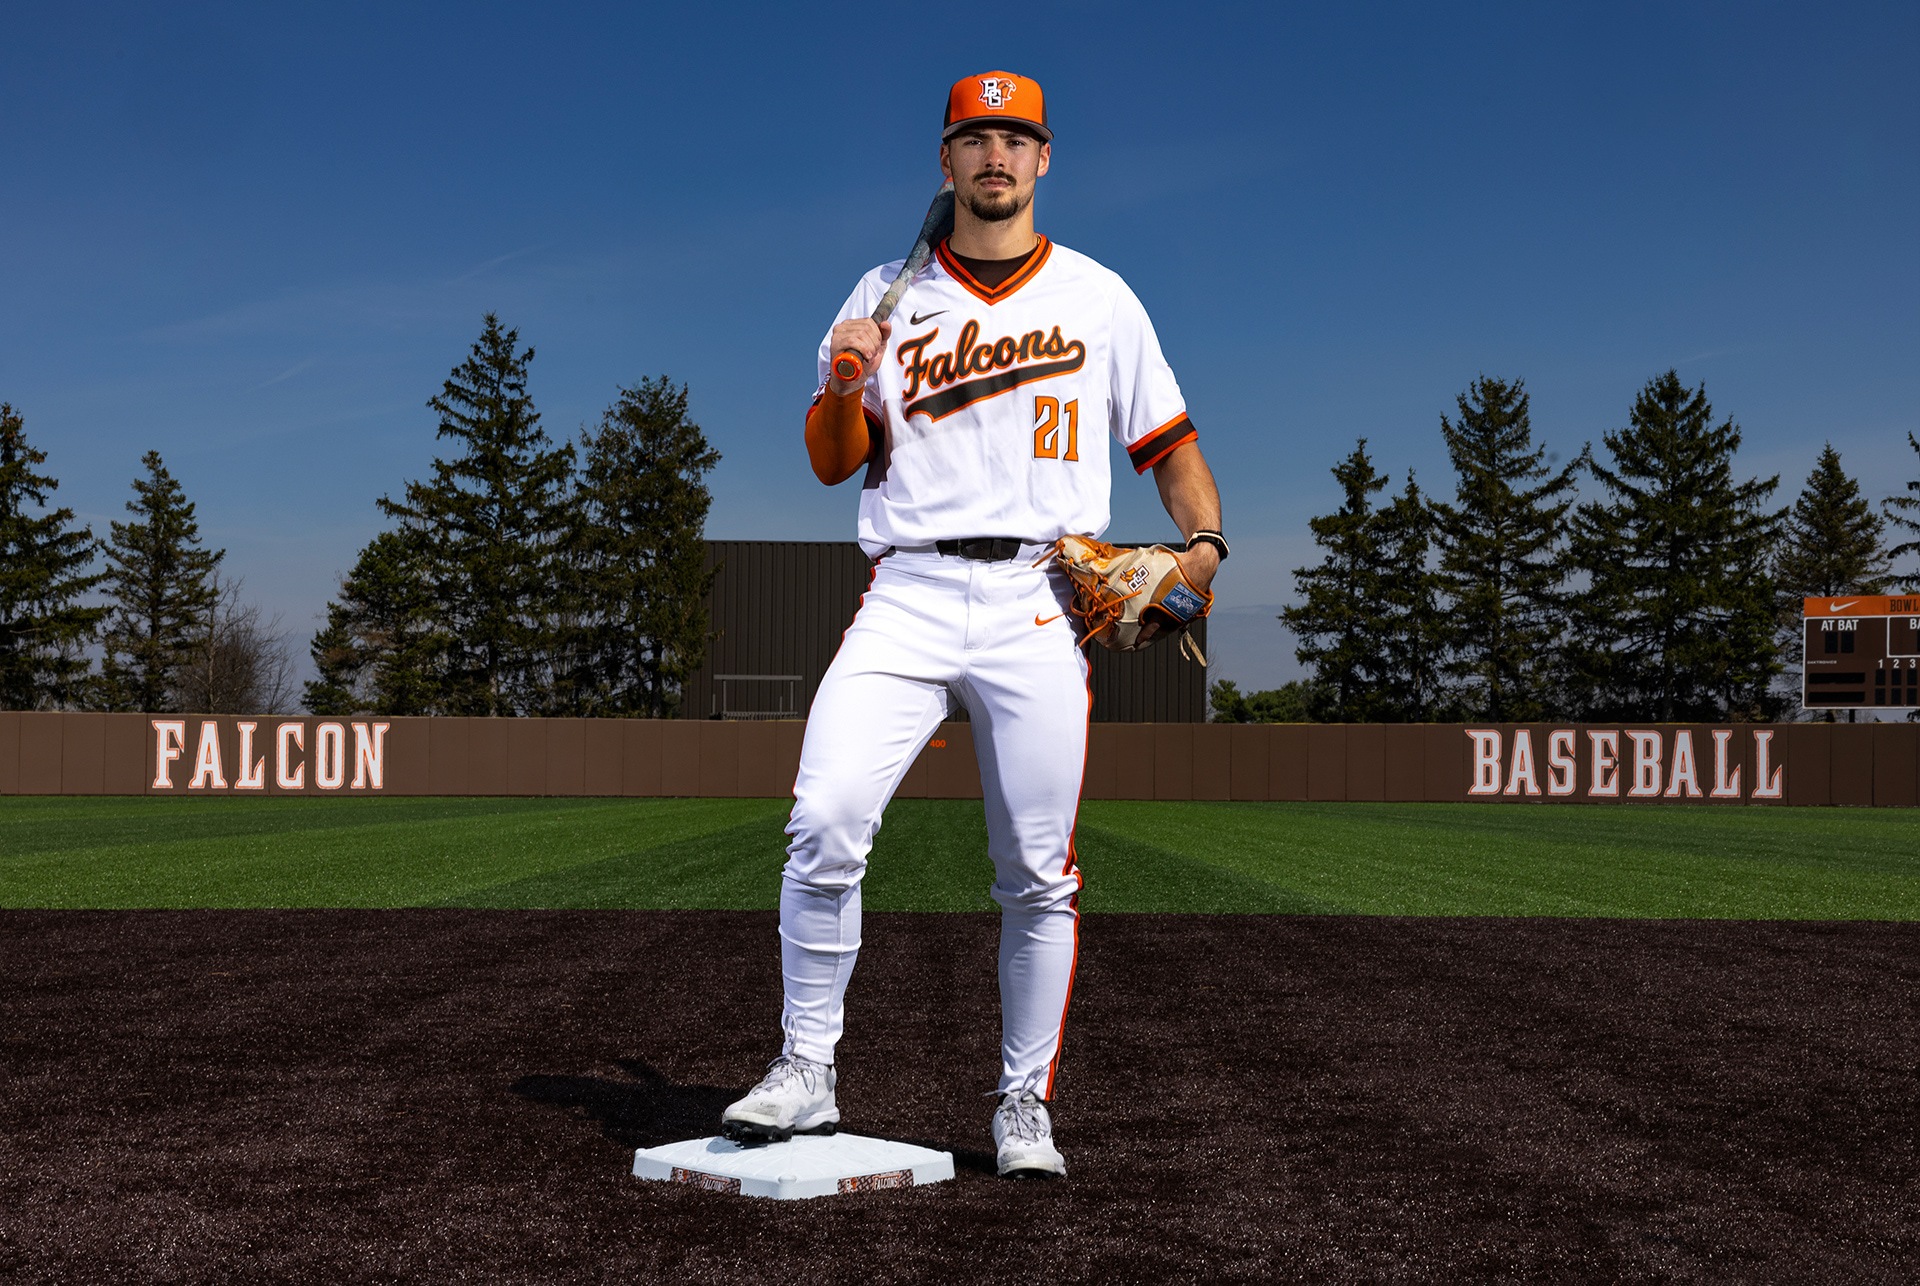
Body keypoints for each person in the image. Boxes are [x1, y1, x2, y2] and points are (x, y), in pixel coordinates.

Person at [720, 70, 1226, 1178]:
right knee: (822, 821)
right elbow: (829, 462)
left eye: (1015, 137)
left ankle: (1022, 1103)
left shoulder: (1100, 297)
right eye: (973, 138)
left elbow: (1173, 449)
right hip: (905, 589)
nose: (994, 156)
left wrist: (1204, 545)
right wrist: (847, 383)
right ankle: (806, 1068)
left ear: (1044, 161)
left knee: (1038, 870)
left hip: (1037, 599)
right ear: (943, 162)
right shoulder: (880, 294)